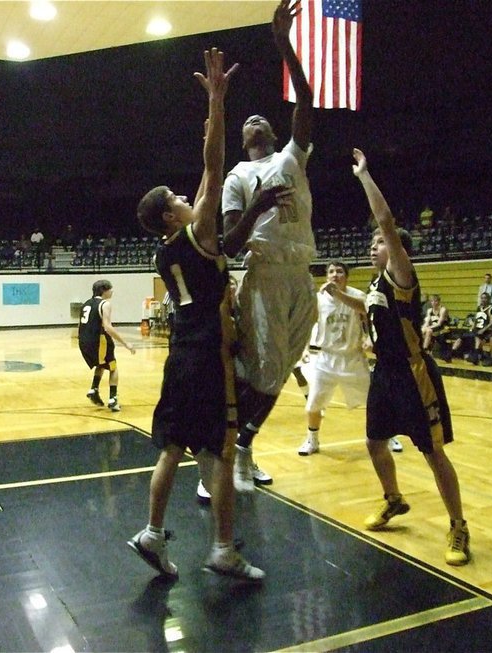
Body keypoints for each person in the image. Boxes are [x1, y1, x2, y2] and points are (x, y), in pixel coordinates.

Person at [131, 46, 264, 582]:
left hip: (180, 356)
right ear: (170, 214)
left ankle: (152, 533)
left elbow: (207, 176)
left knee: (171, 449)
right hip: (209, 356)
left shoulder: (165, 252)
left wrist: (212, 116)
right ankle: (224, 549)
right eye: (179, 197)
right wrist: (217, 102)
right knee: (224, 454)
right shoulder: (198, 233)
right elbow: (214, 167)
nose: (191, 196)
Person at [352, 148, 470, 566]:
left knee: (433, 453)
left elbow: (385, 220)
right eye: (371, 244)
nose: (373, 246)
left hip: (413, 374)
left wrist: (365, 177)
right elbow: (368, 309)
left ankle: (458, 527)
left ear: (398, 249)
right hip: (383, 373)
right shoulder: (374, 283)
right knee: (373, 442)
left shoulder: (402, 274)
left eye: (379, 243)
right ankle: (394, 499)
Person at [220, 0, 317, 492]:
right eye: (247, 121)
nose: (254, 118)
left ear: (275, 134)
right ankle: (232, 450)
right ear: (243, 141)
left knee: (279, 372)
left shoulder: (291, 158)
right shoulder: (238, 176)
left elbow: (305, 101)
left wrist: (285, 45)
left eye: (262, 117)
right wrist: (257, 206)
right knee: (263, 373)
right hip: (265, 275)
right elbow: (231, 245)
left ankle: (242, 445)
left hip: (303, 274)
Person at [298, 261, 403, 457]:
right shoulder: (318, 299)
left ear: (346, 276)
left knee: (375, 400)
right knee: (313, 403)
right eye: (331, 271)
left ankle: (388, 436)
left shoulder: (358, 296)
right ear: (327, 276)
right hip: (326, 358)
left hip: (352, 358)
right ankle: (312, 439)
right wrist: (304, 348)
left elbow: (367, 315)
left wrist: (369, 338)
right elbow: (307, 324)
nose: (335, 274)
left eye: (339, 271)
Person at [78, 279, 136, 411]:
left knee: (102, 363)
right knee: (113, 367)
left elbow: (80, 326)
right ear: (104, 291)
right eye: (110, 288)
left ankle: (94, 389)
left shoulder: (86, 304)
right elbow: (107, 327)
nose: (112, 291)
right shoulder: (105, 304)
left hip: (83, 341)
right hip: (99, 341)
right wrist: (126, 343)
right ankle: (113, 399)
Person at [450, 292, 492, 365]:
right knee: (461, 337)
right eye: (482, 298)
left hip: (486, 331)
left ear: (489, 299)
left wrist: (483, 330)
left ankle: (476, 356)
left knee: (477, 337)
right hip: (477, 329)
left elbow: (491, 323)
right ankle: (452, 353)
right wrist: (472, 327)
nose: (483, 300)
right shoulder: (479, 308)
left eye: (485, 298)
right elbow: (476, 319)